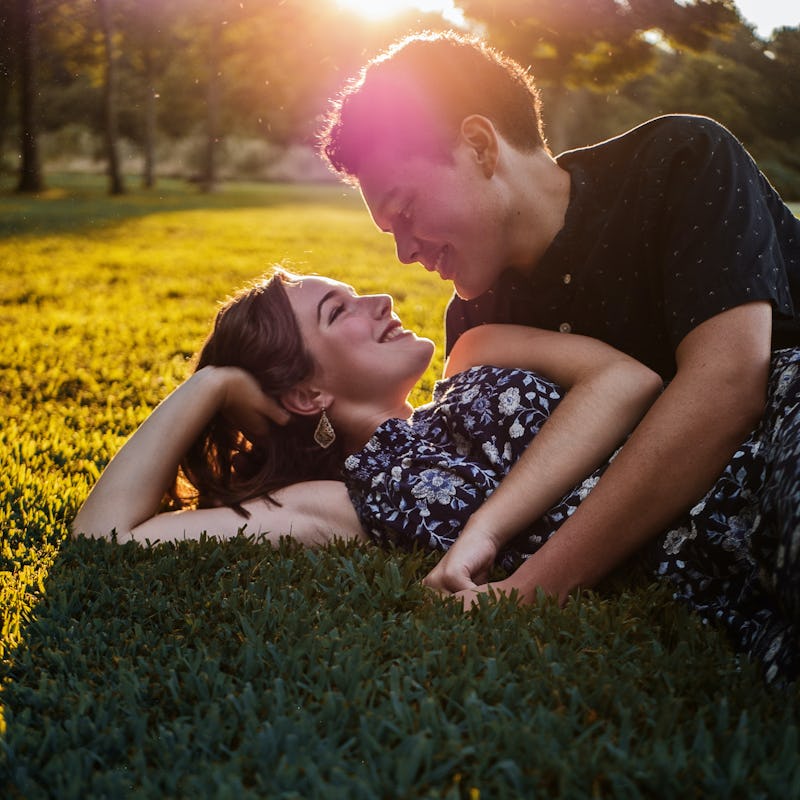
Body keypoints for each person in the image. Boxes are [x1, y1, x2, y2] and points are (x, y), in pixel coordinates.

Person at [73, 270, 800, 683]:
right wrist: (210, 387)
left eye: (358, 292)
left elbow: (626, 383)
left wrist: (486, 527)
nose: (379, 302)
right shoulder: (340, 503)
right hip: (723, 561)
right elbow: (104, 537)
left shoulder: (477, 348)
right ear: (305, 395)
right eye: (340, 311)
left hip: (770, 435)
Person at [317, 30, 800, 619]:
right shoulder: (478, 317)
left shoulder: (680, 161)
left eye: (407, 212)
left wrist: (538, 585)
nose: (405, 254)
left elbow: (728, 385)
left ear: (478, 146)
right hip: (716, 526)